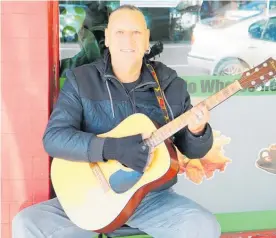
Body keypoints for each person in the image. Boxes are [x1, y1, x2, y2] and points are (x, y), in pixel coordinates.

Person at [12, 5, 221, 238]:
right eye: (120, 33)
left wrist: (198, 130)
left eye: (136, 33)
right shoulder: (82, 80)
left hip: (150, 200)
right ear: (108, 39)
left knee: (203, 227)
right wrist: (112, 148)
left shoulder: (170, 85)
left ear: (146, 39)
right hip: (90, 197)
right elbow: (54, 138)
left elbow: (191, 149)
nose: (128, 40)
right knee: (27, 224)